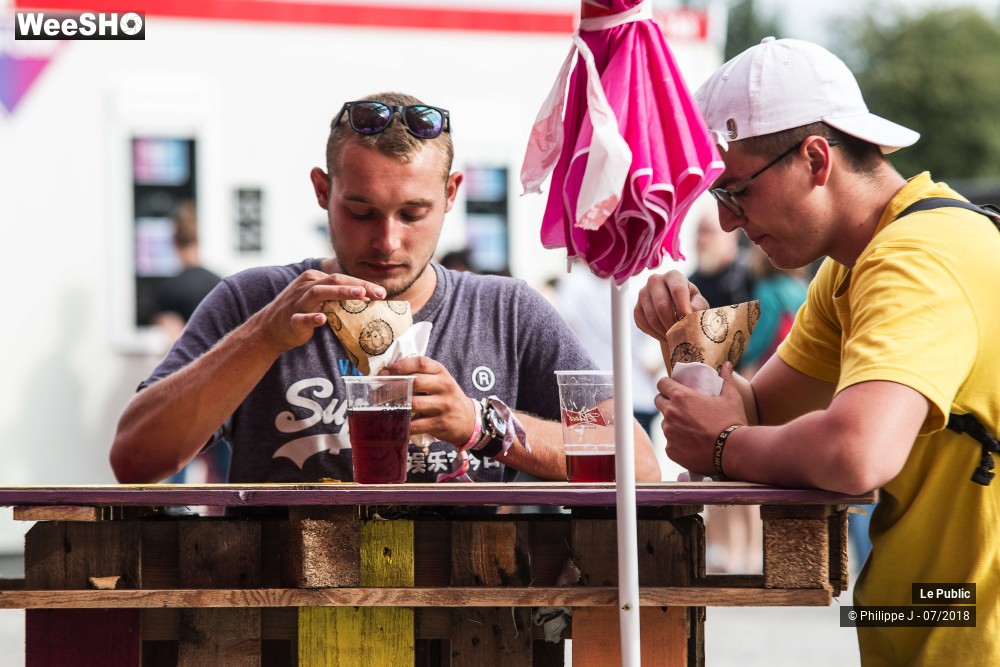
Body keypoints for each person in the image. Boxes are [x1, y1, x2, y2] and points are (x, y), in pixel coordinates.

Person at [634, 38, 999, 665]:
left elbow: (856, 454)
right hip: (927, 612)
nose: (725, 223)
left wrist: (722, 445)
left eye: (734, 192)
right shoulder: (856, 263)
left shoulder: (913, 257)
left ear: (814, 159)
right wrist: (687, 338)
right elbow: (759, 417)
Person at [111, 91, 660, 487]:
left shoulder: (505, 311)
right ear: (322, 192)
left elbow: (640, 463)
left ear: (451, 194)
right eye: (361, 211)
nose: (388, 241)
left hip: (463, 629)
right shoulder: (254, 301)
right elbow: (134, 460)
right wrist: (260, 338)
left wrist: (480, 424)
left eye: (414, 212)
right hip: (285, 619)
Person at [150, 200, 229, 484]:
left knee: (178, 469)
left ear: (174, 241)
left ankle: (173, 521)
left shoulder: (169, 289)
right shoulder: (220, 283)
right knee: (224, 473)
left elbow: (175, 345)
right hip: (222, 389)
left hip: (187, 390)